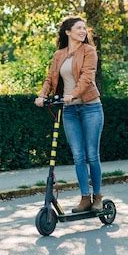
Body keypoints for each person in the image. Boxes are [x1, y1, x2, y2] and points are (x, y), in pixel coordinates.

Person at [35, 17, 104, 213]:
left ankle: (97, 196)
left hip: (91, 107)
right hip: (70, 111)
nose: (83, 31)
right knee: (78, 156)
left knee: (92, 154)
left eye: (84, 28)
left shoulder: (89, 51)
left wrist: (72, 95)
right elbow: (50, 78)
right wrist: (42, 95)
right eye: (79, 28)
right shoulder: (59, 55)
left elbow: (87, 77)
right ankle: (84, 198)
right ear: (68, 32)